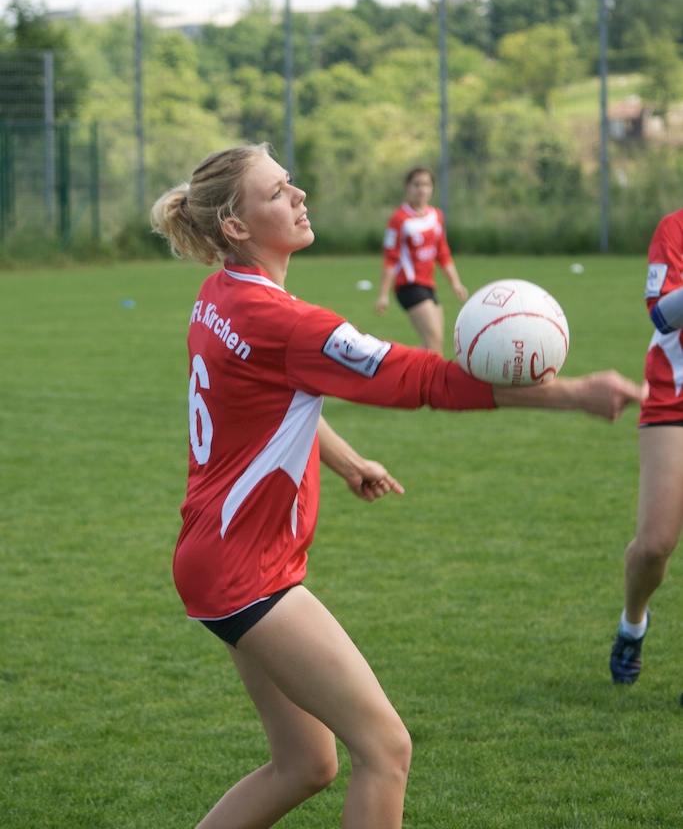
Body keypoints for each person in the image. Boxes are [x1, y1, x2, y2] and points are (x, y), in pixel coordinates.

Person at [151, 142, 644, 829]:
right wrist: (571, 394)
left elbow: (261, 407)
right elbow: (424, 381)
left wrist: (345, 460)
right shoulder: (284, 322)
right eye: (276, 192)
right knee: (384, 749)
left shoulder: (220, 298)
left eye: (291, 183)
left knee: (306, 764)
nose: (296, 196)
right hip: (246, 572)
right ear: (234, 227)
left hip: (215, 554)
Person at [610, 206, 683, 686]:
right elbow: (660, 312)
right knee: (655, 544)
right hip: (673, 397)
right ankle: (632, 624)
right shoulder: (674, 228)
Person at [375, 166, 468, 354]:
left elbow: (442, 253)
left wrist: (456, 283)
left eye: (426, 184)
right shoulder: (399, 219)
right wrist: (383, 294)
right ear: (408, 188)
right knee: (433, 342)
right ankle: (402, 373)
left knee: (433, 346)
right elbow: (391, 259)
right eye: (416, 185)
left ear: (432, 188)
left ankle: (398, 372)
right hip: (409, 286)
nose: (421, 189)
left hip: (428, 286)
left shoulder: (436, 216)